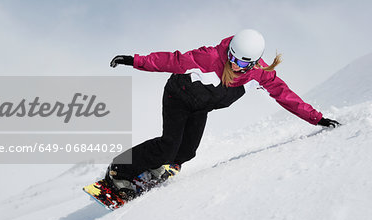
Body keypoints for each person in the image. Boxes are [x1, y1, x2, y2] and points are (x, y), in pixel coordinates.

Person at [106, 29, 340, 199]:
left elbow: (284, 94)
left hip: (200, 107)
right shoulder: (210, 57)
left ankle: (158, 166)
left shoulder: (258, 74)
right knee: (168, 144)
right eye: (233, 57)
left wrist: (316, 118)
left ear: (255, 63)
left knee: (187, 152)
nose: (236, 65)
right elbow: (172, 61)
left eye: (243, 63)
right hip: (178, 97)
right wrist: (133, 60)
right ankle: (119, 170)